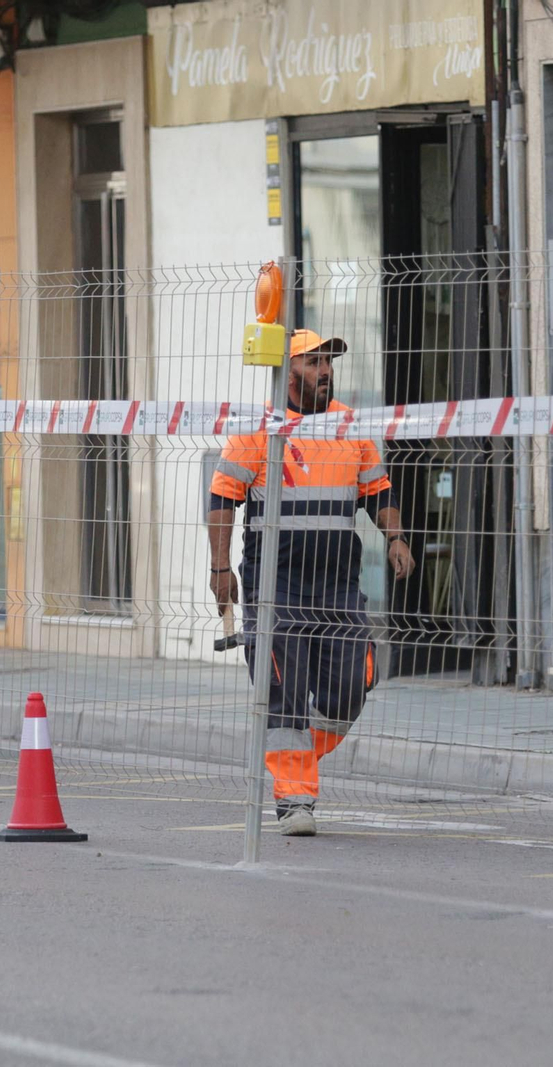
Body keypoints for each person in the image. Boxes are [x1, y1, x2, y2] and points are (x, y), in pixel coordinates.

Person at [208, 328, 415, 837]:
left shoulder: (350, 425)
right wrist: (220, 570)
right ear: (288, 371)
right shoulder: (258, 430)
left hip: (339, 585)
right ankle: (294, 799)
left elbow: (377, 490)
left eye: (328, 362)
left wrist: (396, 537)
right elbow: (222, 501)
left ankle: (298, 756)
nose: (324, 371)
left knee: (352, 685)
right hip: (274, 586)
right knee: (284, 692)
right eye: (313, 362)